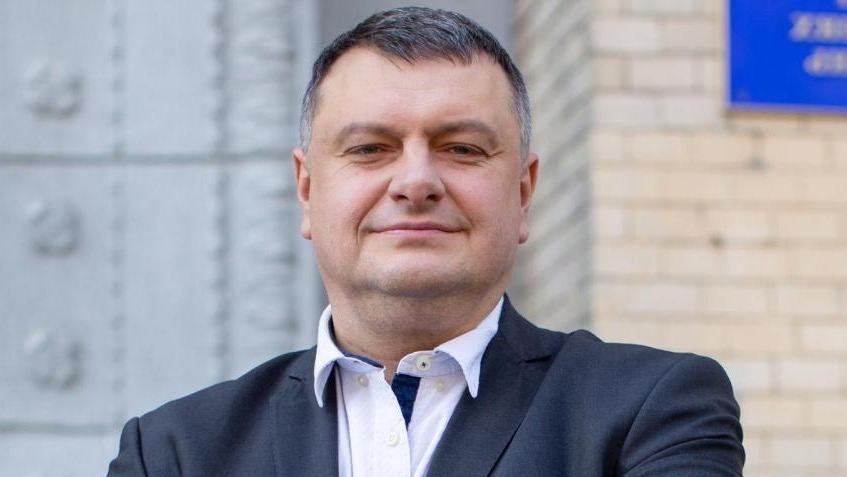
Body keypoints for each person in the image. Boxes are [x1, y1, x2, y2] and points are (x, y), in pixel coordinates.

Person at [107, 7, 744, 476]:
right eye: (369, 149)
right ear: (307, 189)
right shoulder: (173, 452)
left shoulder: (654, 411)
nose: (416, 182)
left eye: (462, 149)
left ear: (523, 193)